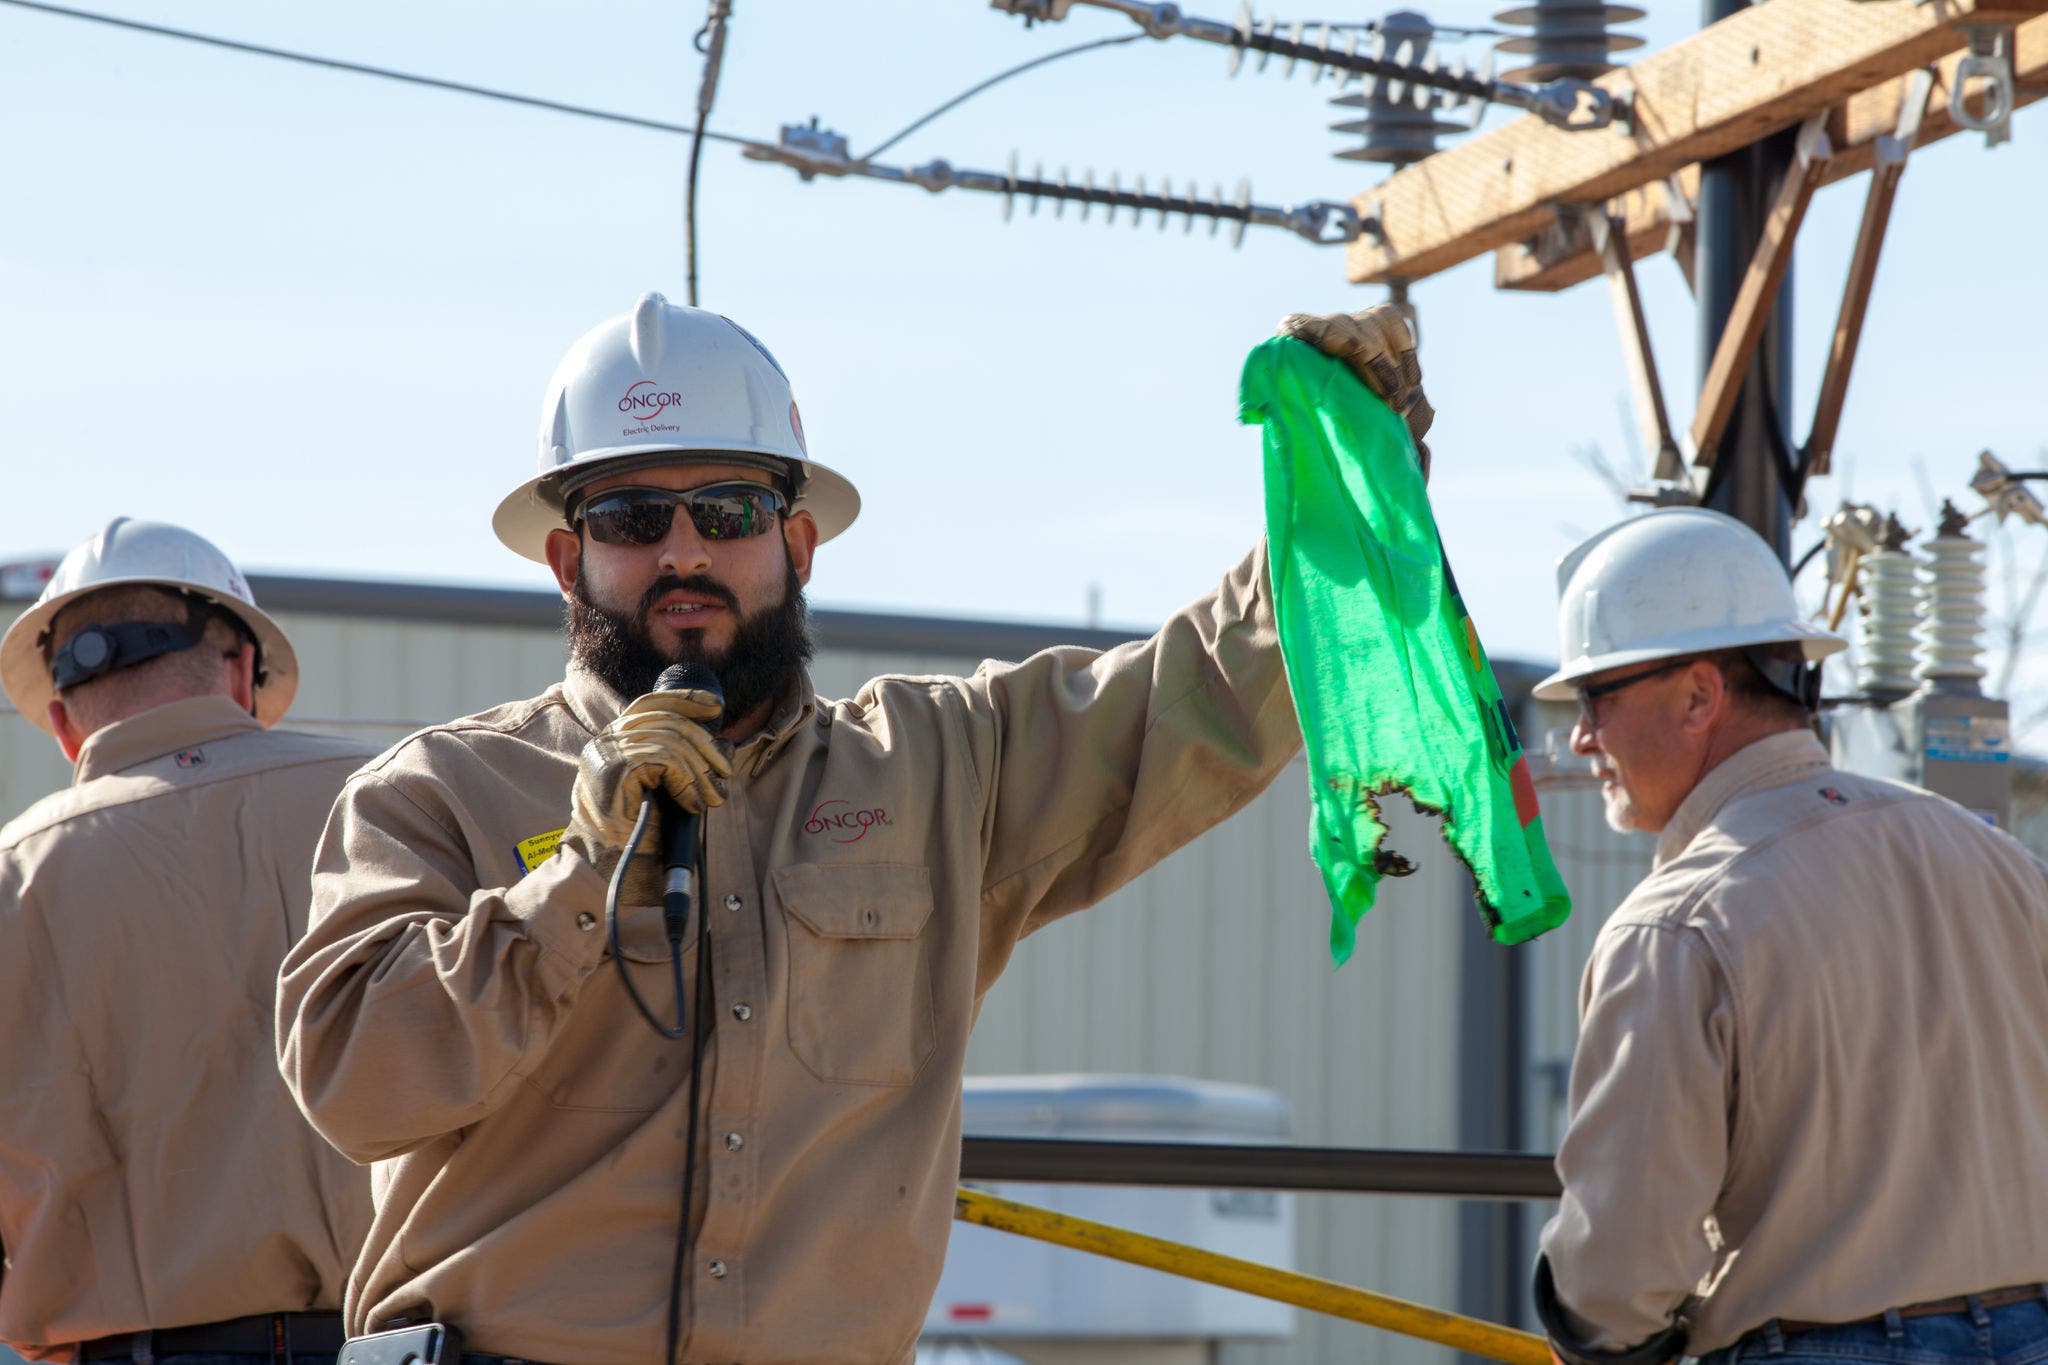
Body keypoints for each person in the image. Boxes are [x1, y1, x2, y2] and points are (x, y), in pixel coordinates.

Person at [275, 293, 1431, 1365]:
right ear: (568, 559)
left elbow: (1201, 698)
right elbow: (360, 1092)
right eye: (633, 515)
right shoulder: (436, 795)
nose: (684, 551)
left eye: (729, 512)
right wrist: (578, 876)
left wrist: (1344, 501)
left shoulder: (938, 767)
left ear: (798, 543)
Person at [1528, 507, 2048, 1365]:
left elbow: (1622, 1267)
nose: (1582, 737)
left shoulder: (1677, 924)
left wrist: (1598, 1332)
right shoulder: (2000, 862)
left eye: (1594, 697)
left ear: (1699, 693)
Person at [0, 518, 374, 1364]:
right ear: (243, 670)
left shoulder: (11, 876)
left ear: (62, 721)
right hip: (393, 1342)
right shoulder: (393, 799)